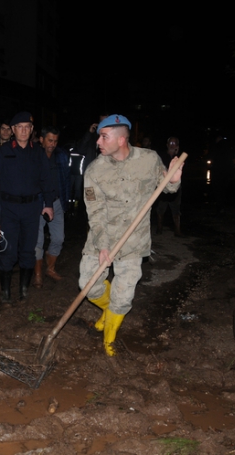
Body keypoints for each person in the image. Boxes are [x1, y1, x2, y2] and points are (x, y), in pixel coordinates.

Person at [80, 114, 181, 357]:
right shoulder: (95, 170)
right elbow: (95, 211)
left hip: (134, 240)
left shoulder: (149, 159)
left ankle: (109, 340)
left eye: (104, 137)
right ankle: (109, 309)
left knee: (123, 297)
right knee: (88, 285)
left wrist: (174, 180)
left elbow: (166, 186)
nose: (98, 142)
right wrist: (103, 245)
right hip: (102, 235)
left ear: (122, 139)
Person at [0, 111, 55, 301]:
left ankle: (24, 291)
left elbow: (46, 180)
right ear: (12, 130)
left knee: (28, 249)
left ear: (31, 130)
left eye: (27, 127)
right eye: (19, 127)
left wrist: (49, 204)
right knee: (8, 250)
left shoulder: (38, 152)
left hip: (31, 209)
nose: (23, 130)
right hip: (8, 208)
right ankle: (5, 293)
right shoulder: (2, 152)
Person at [33, 126, 70, 288]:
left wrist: (66, 201)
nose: (52, 144)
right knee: (38, 241)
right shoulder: (33, 156)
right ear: (41, 139)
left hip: (56, 201)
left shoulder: (61, 156)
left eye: (55, 141)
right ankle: (38, 275)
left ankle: (50, 268)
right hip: (37, 203)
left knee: (58, 238)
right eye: (49, 140)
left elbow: (66, 179)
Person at [155, 136, 183, 235]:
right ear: (167, 145)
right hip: (163, 186)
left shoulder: (180, 157)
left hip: (176, 187)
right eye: (170, 143)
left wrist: (176, 155)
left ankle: (177, 231)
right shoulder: (161, 156)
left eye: (174, 143)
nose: (172, 145)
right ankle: (159, 229)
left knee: (176, 208)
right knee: (160, 208)